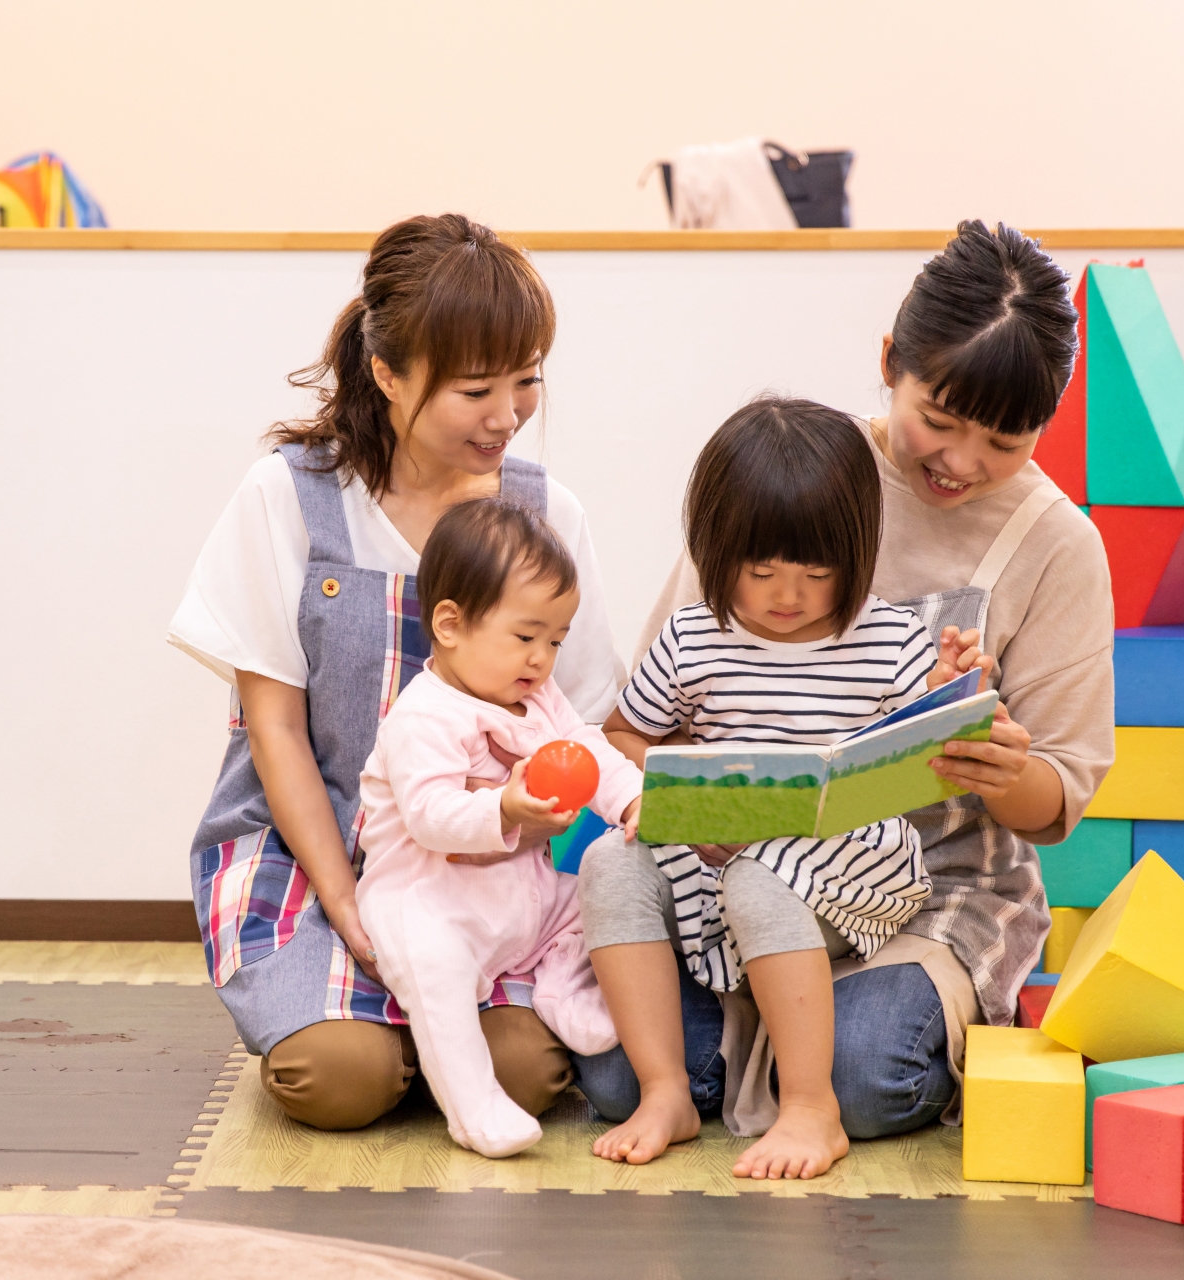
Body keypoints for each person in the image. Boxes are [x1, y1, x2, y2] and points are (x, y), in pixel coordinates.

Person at [574, 220, 1115, 1173]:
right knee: (614, 1074)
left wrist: (1000, 768)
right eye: (938, 419)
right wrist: (684, 802)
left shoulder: (1058, 545)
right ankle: (722, 1072)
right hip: (730, 868)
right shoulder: (794, 478)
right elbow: (650, 711)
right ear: (888, 366)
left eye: (1005, 438)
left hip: (923, 883)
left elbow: (1057, 804)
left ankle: (819, 1073)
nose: (961, 460)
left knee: (869, 1075)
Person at [168, 214, 626, 1131]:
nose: (508, 415)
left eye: (527, 379)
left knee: (530, 1073)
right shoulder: (290, 497)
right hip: (318, 846)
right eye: (475, 390)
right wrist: (343, 898)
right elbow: (275, 729)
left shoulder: (544, 513)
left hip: (494, 860)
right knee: (339, 1078)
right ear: (387, 373)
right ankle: (379, 1027)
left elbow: (584, 725)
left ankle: (437, 1034)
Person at [594, 397, 985, 1179]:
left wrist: (951, 686)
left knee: (763, 876)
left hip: (853, 861)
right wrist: (653, 793)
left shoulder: (887, 638)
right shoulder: (694, 635)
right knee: (610, 863)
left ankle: (812, 1107)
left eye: (816, 571)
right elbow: (622, 734)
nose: (788, 595)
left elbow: (928, 749)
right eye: (761, 570)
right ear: (717, 549)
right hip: (714, 856)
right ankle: (665, 1087)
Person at [355, 498, 645, 1158]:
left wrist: (631, 797)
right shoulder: (424, 716)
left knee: (592, 889)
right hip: (431, 899)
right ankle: (474, 1106)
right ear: (451, 625)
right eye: (525, 637)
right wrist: (505, 811)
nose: (542, 659)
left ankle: (563, 984)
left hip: (523, 897)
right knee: (436, 972)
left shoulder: (537, 697)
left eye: (555, 641)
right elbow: (430, 818)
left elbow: (588, 748)